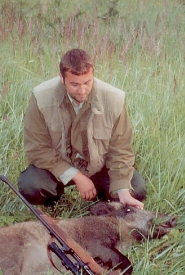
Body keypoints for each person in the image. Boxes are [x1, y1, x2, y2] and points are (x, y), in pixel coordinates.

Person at [18, 48, 146, 209]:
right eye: (74, 84)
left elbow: (120, 149)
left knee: (136, 188)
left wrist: (123, 190)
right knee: (32, 186)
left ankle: (100, 201)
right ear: (61, 78)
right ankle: (54, 204)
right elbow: (37, 149)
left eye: (87, 82)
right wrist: (77, 176)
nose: (82, 90)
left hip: (99, 167)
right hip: (58, 166)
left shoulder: (114, 99)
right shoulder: (41, 97)